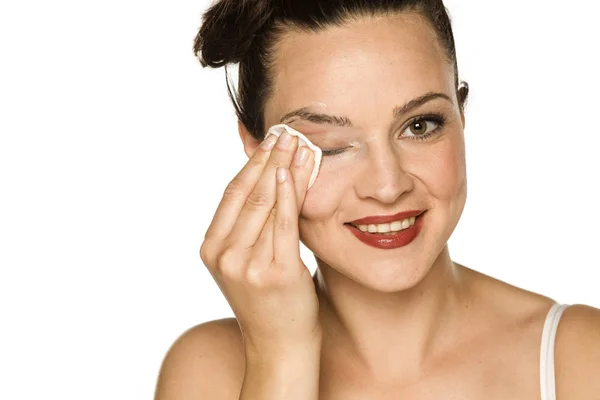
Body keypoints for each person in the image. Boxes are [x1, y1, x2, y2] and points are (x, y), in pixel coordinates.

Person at [154, 0, 600, 398]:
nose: (388, 187)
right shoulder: (208, 373)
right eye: (328, 146)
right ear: (257, 151)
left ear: (461, 116)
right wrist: (281, 358)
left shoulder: (581, 359)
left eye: (420, 126)